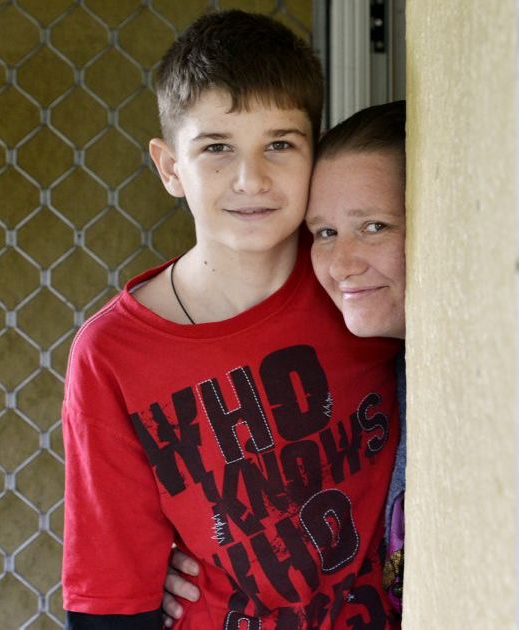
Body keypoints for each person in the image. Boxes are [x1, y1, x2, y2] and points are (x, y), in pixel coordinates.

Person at [61, 12, 402, 628]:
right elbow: (112, 591)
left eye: (280, 144)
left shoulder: (354, 284)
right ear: (170, 167)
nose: (252, 178)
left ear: (312, 154)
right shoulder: (112, 353)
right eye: (217, 147)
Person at [161, 102, 409, 626]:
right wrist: (200, 556)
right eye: (323, 233)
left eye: (375, 226)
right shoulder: (382, 352)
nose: (342, 264)